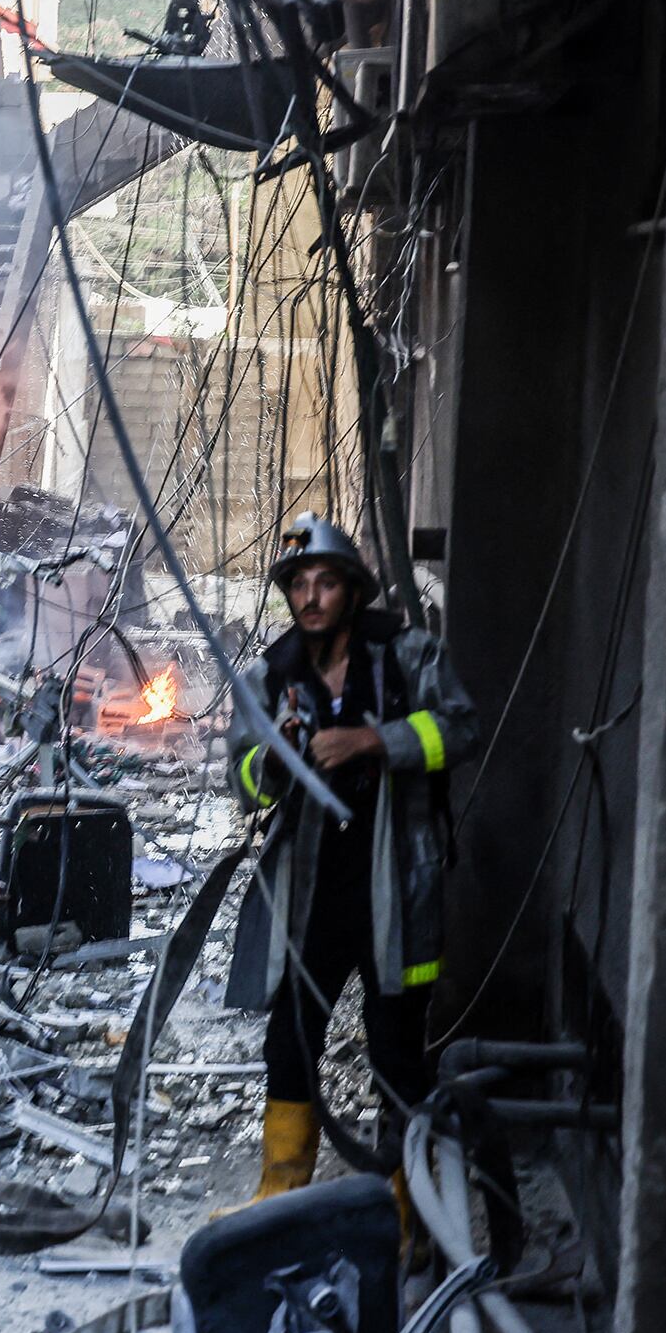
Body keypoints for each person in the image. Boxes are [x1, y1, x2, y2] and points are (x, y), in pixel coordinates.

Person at [225, 515, 478, 1202]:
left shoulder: (407, 656)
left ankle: (409, 1216)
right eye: (298, 585)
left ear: (353, 591)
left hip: (396, 888)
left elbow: (461, 728)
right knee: (290, 1042)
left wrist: (373, 741)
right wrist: (274, 760)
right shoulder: (271, 675)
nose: (310, 598)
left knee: (396, 1053)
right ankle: (279, 1198)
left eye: (325, 583)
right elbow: (243, 783)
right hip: (312, 894)